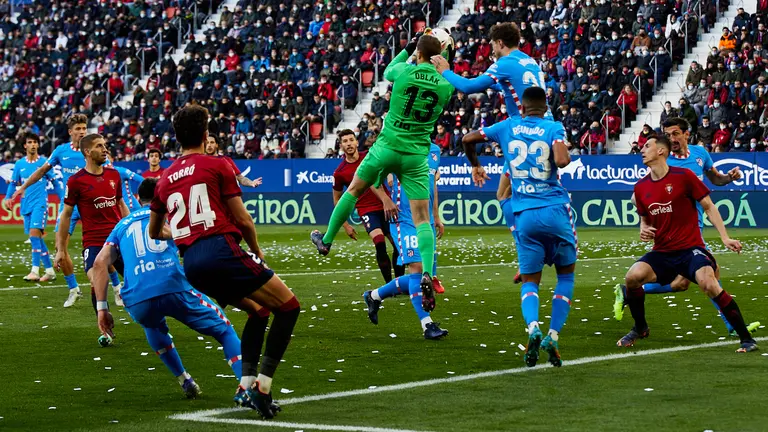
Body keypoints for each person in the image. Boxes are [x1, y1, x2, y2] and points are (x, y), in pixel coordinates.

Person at [149, 105, 299, 419]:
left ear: (177, 138)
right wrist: (258, 254)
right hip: (220, 250)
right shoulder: (216, 165)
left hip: (192, 264)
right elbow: (243, 220)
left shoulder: (164, 179)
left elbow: (154, 230)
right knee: (288, 307)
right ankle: (263, 388)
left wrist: (179, 233)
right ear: (205, 135)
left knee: (258, 311)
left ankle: (246, 386)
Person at [311, 34, 454, 314]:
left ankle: (326, 240)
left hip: (387, 146)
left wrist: (408, 49)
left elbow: (390, 68)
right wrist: (443, 59)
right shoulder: (445, 84)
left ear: (418, 54)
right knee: (422, 217)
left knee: (353, 190)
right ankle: (426, 271)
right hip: (416, 155)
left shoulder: (405, 69)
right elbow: (444, 75)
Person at [91, 178, 244, 400]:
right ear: (163, 197)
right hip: (173, 287)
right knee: (224, 330)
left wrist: (103, 309)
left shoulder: (122, 225)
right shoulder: (171, 218)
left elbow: (99, 263)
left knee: (152, 324)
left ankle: (184, 380)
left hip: (137, 298)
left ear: (136, 199)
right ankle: (247, 386)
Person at [462, 87, 576, 367]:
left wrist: (476, 164)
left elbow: (467, 138)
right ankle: (553, 334)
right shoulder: (553, 127)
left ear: (522, 109)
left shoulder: (508, 125)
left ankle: (533, 328)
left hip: (524, 214)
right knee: (565, 278)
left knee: (529, 282)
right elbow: (562, 160)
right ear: (545, 107)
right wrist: (560, 143)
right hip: (555, 210)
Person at [613, 118, 759, 336]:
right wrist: (644, 222)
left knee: (687, 282)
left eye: (674, 134)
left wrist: (729, 177)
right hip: (679, 232)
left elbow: (715, 179)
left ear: (685, 134)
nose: (671, 138)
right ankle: (734, 327)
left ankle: (630, 292)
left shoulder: (700, 155)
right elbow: (639, 198)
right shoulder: (665, 163)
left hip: (694, 226)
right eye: (667, 134)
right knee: (707, 277)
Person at [11, 114, 121, 308]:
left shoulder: (94, 149)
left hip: (93, 205)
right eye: (77, 129)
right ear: (70, 132)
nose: (81, 132)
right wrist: (22, 187)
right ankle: (74, 289)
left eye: (84, 128)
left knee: (104, 248)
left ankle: (117, 288)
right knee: (59, 248)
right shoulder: (61, 151)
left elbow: (110, 176)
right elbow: (41, 171)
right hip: (69, 206)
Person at [362, 143, 448, 339]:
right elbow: (371, 177)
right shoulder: (398, 146)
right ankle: (427, 326)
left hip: (425, 222)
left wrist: (436, 215)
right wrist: (385, 199)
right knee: (417, 269)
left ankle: (373, 296)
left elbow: (432, 185)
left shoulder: (434, 151)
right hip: (404, 219)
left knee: (420, 275)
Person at [56, 133, 128, 320]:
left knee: (141, 281)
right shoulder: (76, 181)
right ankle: (103, 324)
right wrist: (61, 249)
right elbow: (66, 215)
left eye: (105, 145)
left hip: (119, 239)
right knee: (96, 280)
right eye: (99, 146)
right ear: (87, 152)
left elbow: (120, 204)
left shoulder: (114, 175)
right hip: (95, 243)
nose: (105, 149)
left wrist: (132, 231)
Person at [431, 22, 551, 119]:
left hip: (527, 126)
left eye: (492, 44)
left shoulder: (505, 63)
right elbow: (516, 87)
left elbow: (468, 87)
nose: (492, 50)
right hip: (546, 121)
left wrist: (445, 71)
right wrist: (490, 85)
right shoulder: (530, 60)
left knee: (468, 139)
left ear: (500, 43)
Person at [332, 129, 405, 283]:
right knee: (379, 243)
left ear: (357, 142)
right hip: (367, 210)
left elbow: (389, 164)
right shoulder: (339, 173)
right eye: (345, 141)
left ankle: (399, 283)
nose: (349, 143)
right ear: (341, 146)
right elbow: (337, 200)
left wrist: (390, 175)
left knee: (398, 246)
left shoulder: (370, 156)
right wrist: (345, 225)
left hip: (386, 205)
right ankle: (389, 284)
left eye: (351, 139)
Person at [2, 133, 56, 282]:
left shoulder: (45, 163)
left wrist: (64, 198)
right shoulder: (19, 164)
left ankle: (34, 270)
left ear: (38, 145)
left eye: (35, 142)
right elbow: (13, 183)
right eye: (30, 142)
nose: (33, 145)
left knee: (34, 234)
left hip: (40, 204)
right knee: (36, 238)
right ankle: (50, 271)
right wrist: (7, 198)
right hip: (26, 205)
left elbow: (55, 182)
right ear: (25, 146)